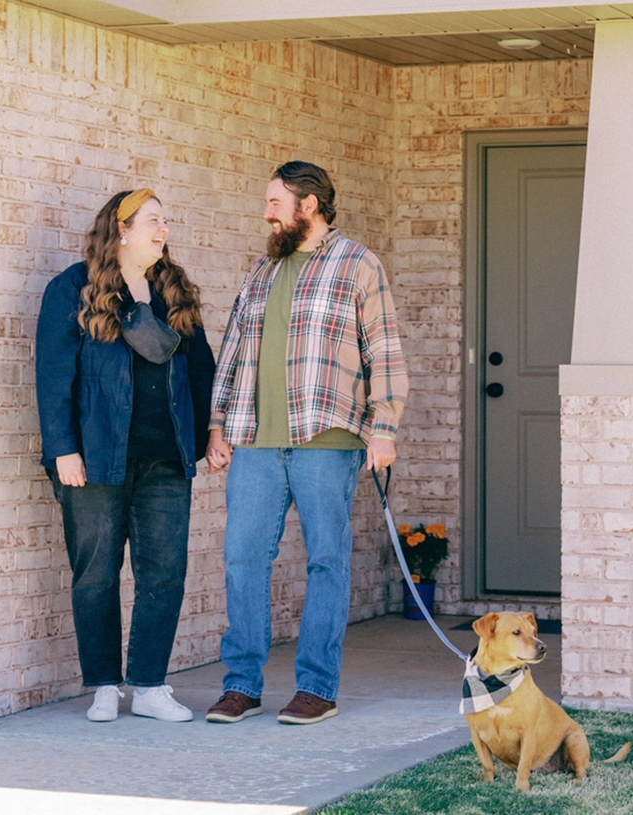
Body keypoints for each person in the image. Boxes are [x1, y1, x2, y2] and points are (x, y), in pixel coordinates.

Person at [204, 161, 407, 726]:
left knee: (326, 561)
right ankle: (241, 686)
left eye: (275, 202)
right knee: (243, 560)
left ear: (309, 204)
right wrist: (218, 424)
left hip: (328, 436)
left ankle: (317, 687)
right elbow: (233, 351)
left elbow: (384, 352)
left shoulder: (359, 264)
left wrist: (383, 428)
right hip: (256, 442)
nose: (266, 213)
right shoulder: (260, 271)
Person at [35, 189, 215, 723]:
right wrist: (63, 448)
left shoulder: (172, 289)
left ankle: (151, 686)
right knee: (95, 572)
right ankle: (103, 687)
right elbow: (53, 376)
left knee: (164, 572)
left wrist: (210, 432)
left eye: (166, 221)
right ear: (122, 228)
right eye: (154, 221)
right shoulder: (73, 288)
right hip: (95, 458)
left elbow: (201, 367)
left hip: (166, 457)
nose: (163, 231)